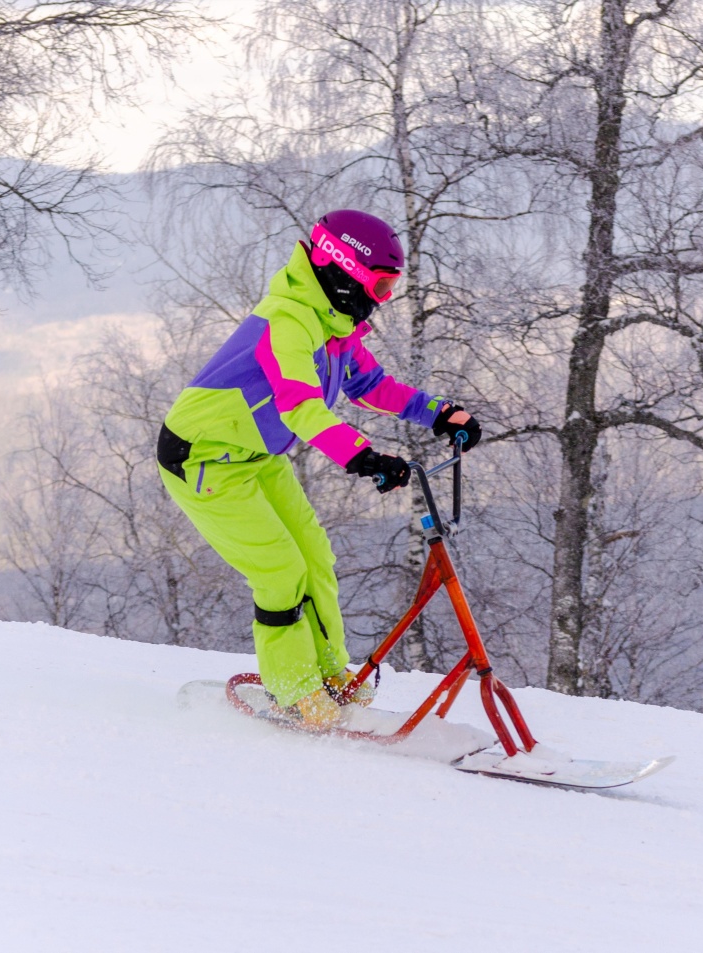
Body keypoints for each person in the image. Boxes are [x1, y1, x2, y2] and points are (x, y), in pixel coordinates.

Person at [157, 209, 482, 729]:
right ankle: (294, 690)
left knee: (315, 554)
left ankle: (331, 678)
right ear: (343, 267)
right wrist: (364, 455)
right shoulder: (288, 321)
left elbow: (369, 385)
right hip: (202, 457)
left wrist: (440, 413)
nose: (381, 298)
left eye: (390, 287)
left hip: (255, 455)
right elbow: (300, 407)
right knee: (280, 571)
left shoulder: (335, 324)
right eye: (379, 283)